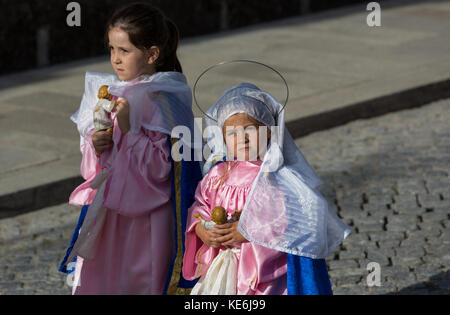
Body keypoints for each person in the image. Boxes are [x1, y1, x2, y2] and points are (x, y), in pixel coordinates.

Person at [59, 2, 202, 295]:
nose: (115, 59)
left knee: (139, 279)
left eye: (125, 51)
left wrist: (129, 126)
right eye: (112, 49)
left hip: (147, 219)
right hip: (112, 213)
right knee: (106, 278)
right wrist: (98, 146)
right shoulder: (112, 94)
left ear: (152, 54)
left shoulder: (165, 99)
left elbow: (164, 169)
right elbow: (96, 169)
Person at [182, 82, 351, 295]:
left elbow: (288, 220)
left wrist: (248, 230)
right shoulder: (217, 175)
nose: (242, 138)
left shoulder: (277, 177)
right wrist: (201, 230)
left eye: (250, 130)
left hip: (261, 271)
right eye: (232, 133)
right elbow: (200, 207)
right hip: (223, 264)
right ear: (223, 138)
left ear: (270, 133)